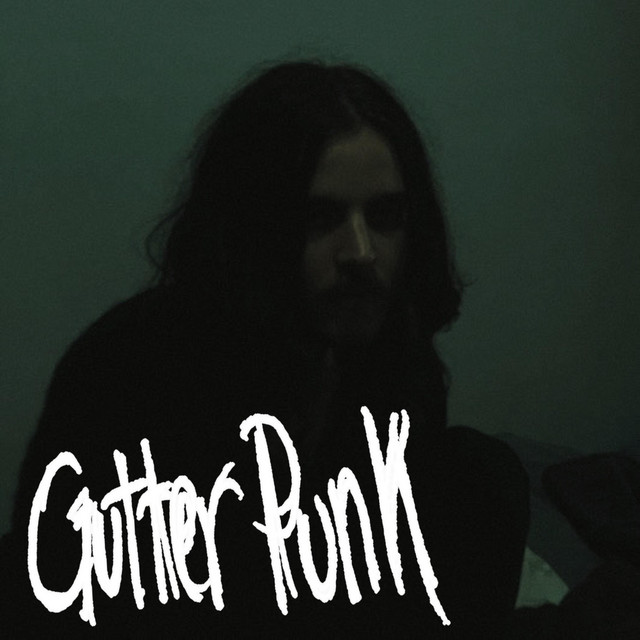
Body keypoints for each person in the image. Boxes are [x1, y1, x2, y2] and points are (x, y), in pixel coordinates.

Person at [1, 61, 528, 638]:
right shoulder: (132, 372)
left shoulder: (390, 351)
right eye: (319, 218)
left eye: (385, 216)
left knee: (481, 476)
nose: (360, 252)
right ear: (253, 227)